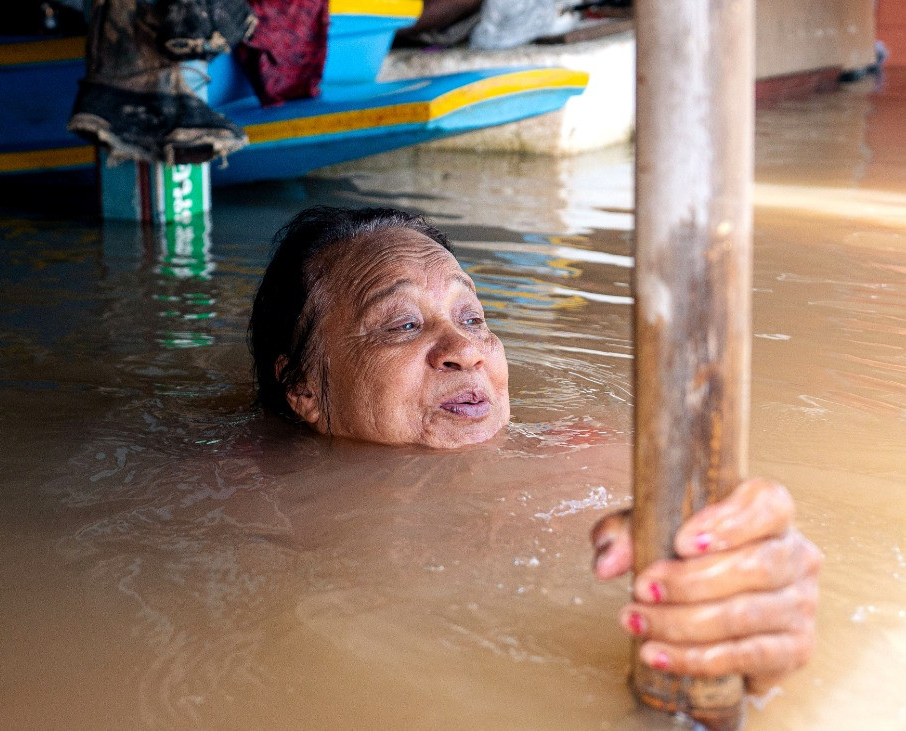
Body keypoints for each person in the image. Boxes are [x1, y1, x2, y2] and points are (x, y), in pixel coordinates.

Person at [248, 206, 821, 694]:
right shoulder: (248, 498)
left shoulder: (586, 455)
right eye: (401, 324)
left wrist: (750, 590)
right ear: (302, 388)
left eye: (472, 317)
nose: (465, 350)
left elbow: (737, 544)